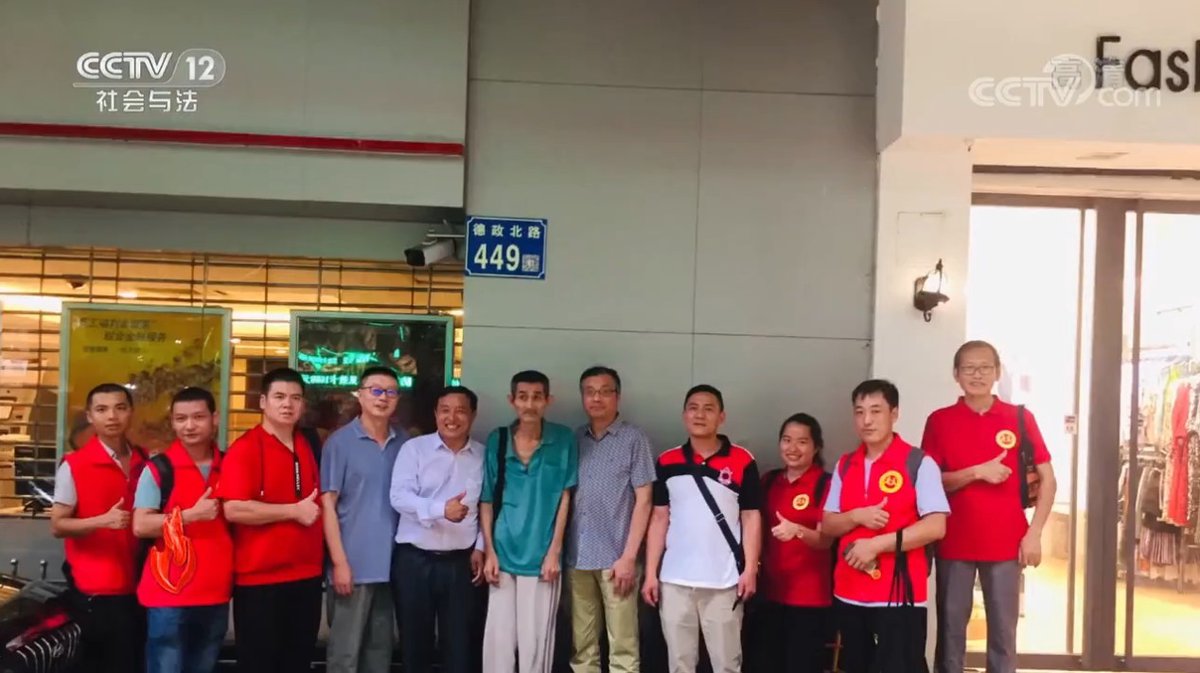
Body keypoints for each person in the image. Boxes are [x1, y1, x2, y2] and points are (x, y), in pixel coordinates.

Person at [923, 341, 1057, 673]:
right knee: (951, 632)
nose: (977, 374)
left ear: (997, 372)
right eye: (969, 368)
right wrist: (976, 472)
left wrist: (1035, 533)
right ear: (956, 374)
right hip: (953, 541)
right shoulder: (940, 421)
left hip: (1007, 543)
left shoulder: (1020, 418)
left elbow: (1048, 479)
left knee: (1003, 634)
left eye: (985, 367)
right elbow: (930, 484)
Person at [821, 379, 950, 673]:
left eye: (876, 411)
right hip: (849, 591)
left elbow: (936, 526)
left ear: (894, 414)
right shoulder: (845, 465)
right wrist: (857, 516)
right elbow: (827, 524)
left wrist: (877, 545)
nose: (866, 420)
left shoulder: (919, 462)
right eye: (859, 412)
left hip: (899, 594)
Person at [642, 385, 762, 673]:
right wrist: (650, 574)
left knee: (727, 664)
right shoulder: (667, 461)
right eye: (693, 408)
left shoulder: (743, 460)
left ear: (722, 417)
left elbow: (751, 517)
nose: (700, 415)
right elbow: (659, 519)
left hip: (724, 582)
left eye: (709, 409)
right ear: (684, 415)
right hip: (674, 581)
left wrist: (750, 570)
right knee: (679, 664)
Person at [216, 367, 324, 673]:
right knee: (259, 663)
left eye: (295, 398)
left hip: (307, 577)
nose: (287, 404)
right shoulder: (245, 448)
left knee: (298, 662)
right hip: (260, 582)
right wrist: (293, 511)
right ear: (263, 402)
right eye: (279, 397)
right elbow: (234, 509)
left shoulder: (307, 444)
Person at [479, 370, 579, 673]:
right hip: (502, 554)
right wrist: (489, 552)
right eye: (523, 397)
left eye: (537, 397)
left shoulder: (563, 439)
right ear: (512, 400)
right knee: (498, 642)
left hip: (541, 558)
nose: (530, 404)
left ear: (548, 400)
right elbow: (486, 499)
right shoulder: (498, 440)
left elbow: (565, 496)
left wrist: (554, 551)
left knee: (535, 643)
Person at [132, 387, 232, 673]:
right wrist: (189, 516)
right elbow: (141, 525)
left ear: (214, 419)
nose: (189, 426)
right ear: (173, 423)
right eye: (181, 419)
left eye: (198, 417)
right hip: (169, 593)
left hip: (216, 591)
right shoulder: (159, 469)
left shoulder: (230, 464)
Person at [50, 382, 148, 673]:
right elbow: (58, 524)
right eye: (102, 410)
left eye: (120, 408)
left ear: (131, 412)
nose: (112, 416)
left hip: (143, 585)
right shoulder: (74, 465)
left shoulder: (146, 460)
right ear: (90, 416)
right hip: (98, 590)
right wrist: (102, 521)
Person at [391, 385, 487, 673]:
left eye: (460, 411)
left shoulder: (483, 456)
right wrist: (440, 509)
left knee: (460, 646)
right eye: (445, 410)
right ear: (435, 414)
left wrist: (481, 546)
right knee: (414, 644)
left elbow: (488, 506)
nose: (452, 418)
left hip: (462, 564)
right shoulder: (414, 449)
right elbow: (399, 497)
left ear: (473, 415)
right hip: (415, 560)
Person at [321, 366, 411, 673]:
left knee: (379, 655)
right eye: (375, 390)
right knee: (344, 656)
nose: (383, 398)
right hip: (353, 567)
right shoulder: (340, 443)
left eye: (390, 392)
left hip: (392, 568)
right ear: (360, 395)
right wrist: (339, 563)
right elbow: (328, 505)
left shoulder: (405, 444)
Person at [567, 366, 656, 673]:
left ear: (618, 396)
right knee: (582, 648)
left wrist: (629, 557)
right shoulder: (574, 439)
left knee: (623, 648)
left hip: (617, 560)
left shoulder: (634, 438)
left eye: (605, 392)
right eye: (590, 392)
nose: (597, 398)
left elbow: (645, 500)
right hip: (577, 558)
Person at [755, 413, 835, 673]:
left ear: (816, 447)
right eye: (787, 440)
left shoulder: (826, 484)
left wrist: (797, 530)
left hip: (809, 599)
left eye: (802, 442)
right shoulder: (768, 481)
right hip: (769, 594)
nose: (793, 448)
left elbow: (826, 540)